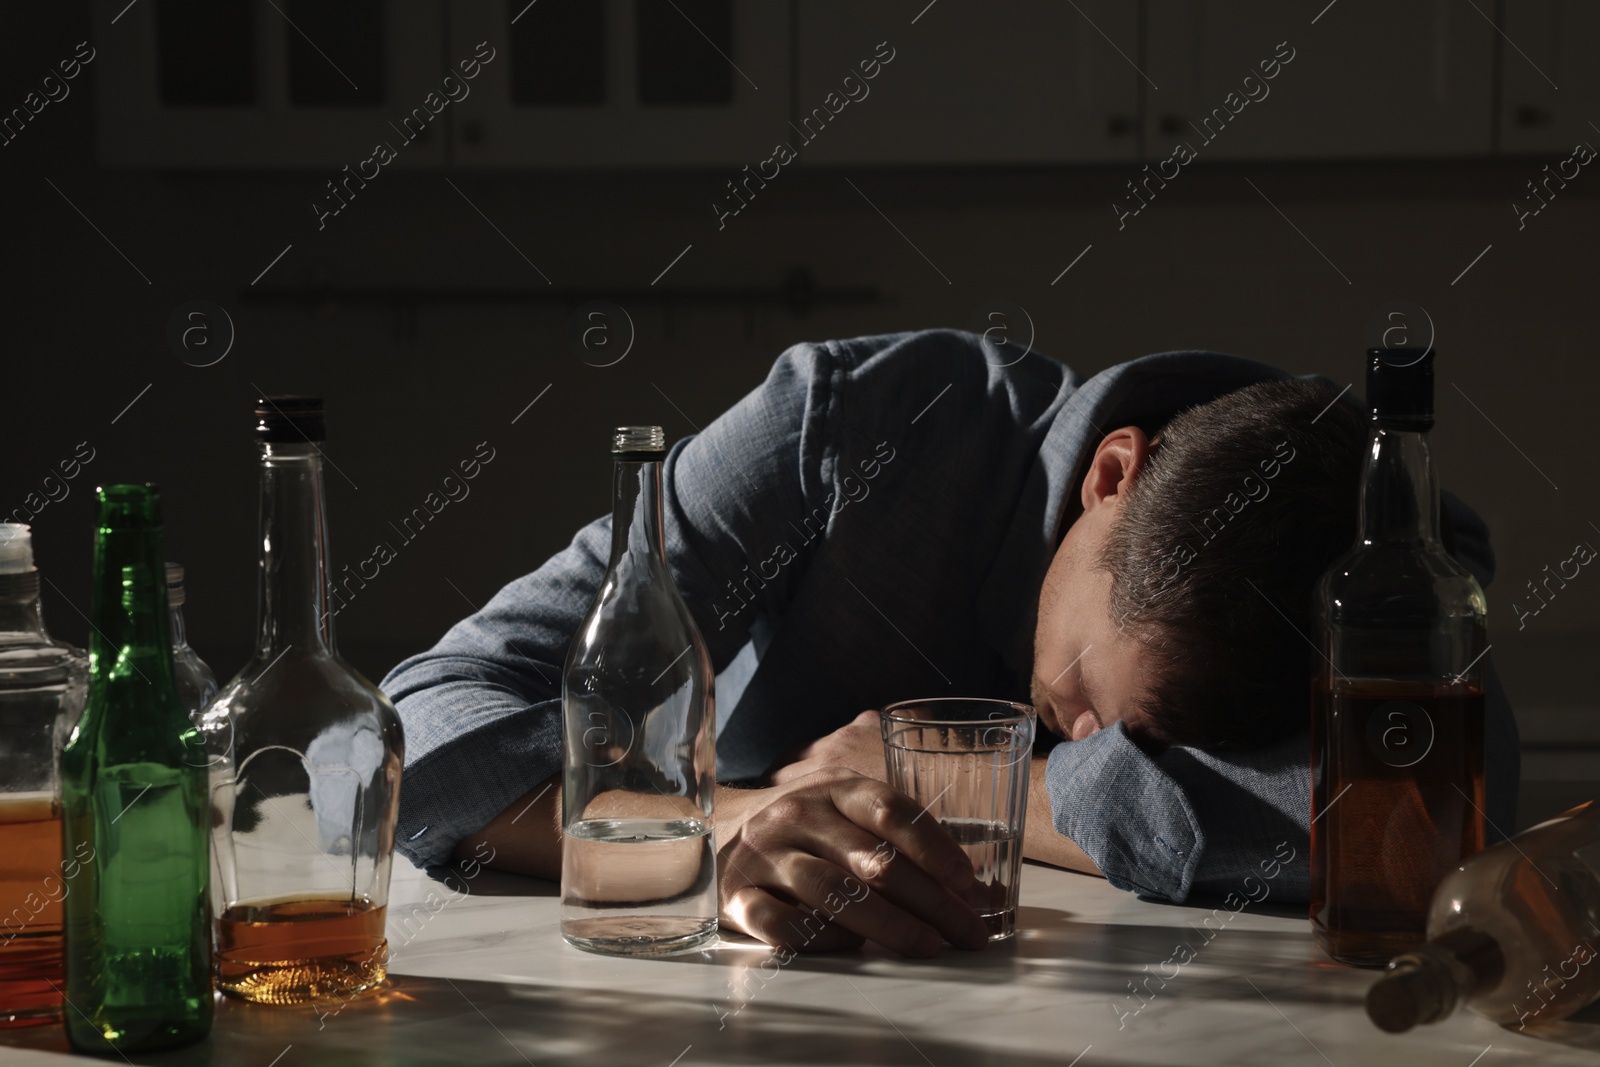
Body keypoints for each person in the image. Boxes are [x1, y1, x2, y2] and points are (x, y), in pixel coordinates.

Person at [381, 329, 1517, 957]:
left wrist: (948, 782)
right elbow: (418, 724)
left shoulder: (1383, 550)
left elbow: (1431, 824)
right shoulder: (844, 429)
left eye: (1135, 747)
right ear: (1108, 476)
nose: (1085, 743)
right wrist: (729, 826)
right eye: (1076, 702)